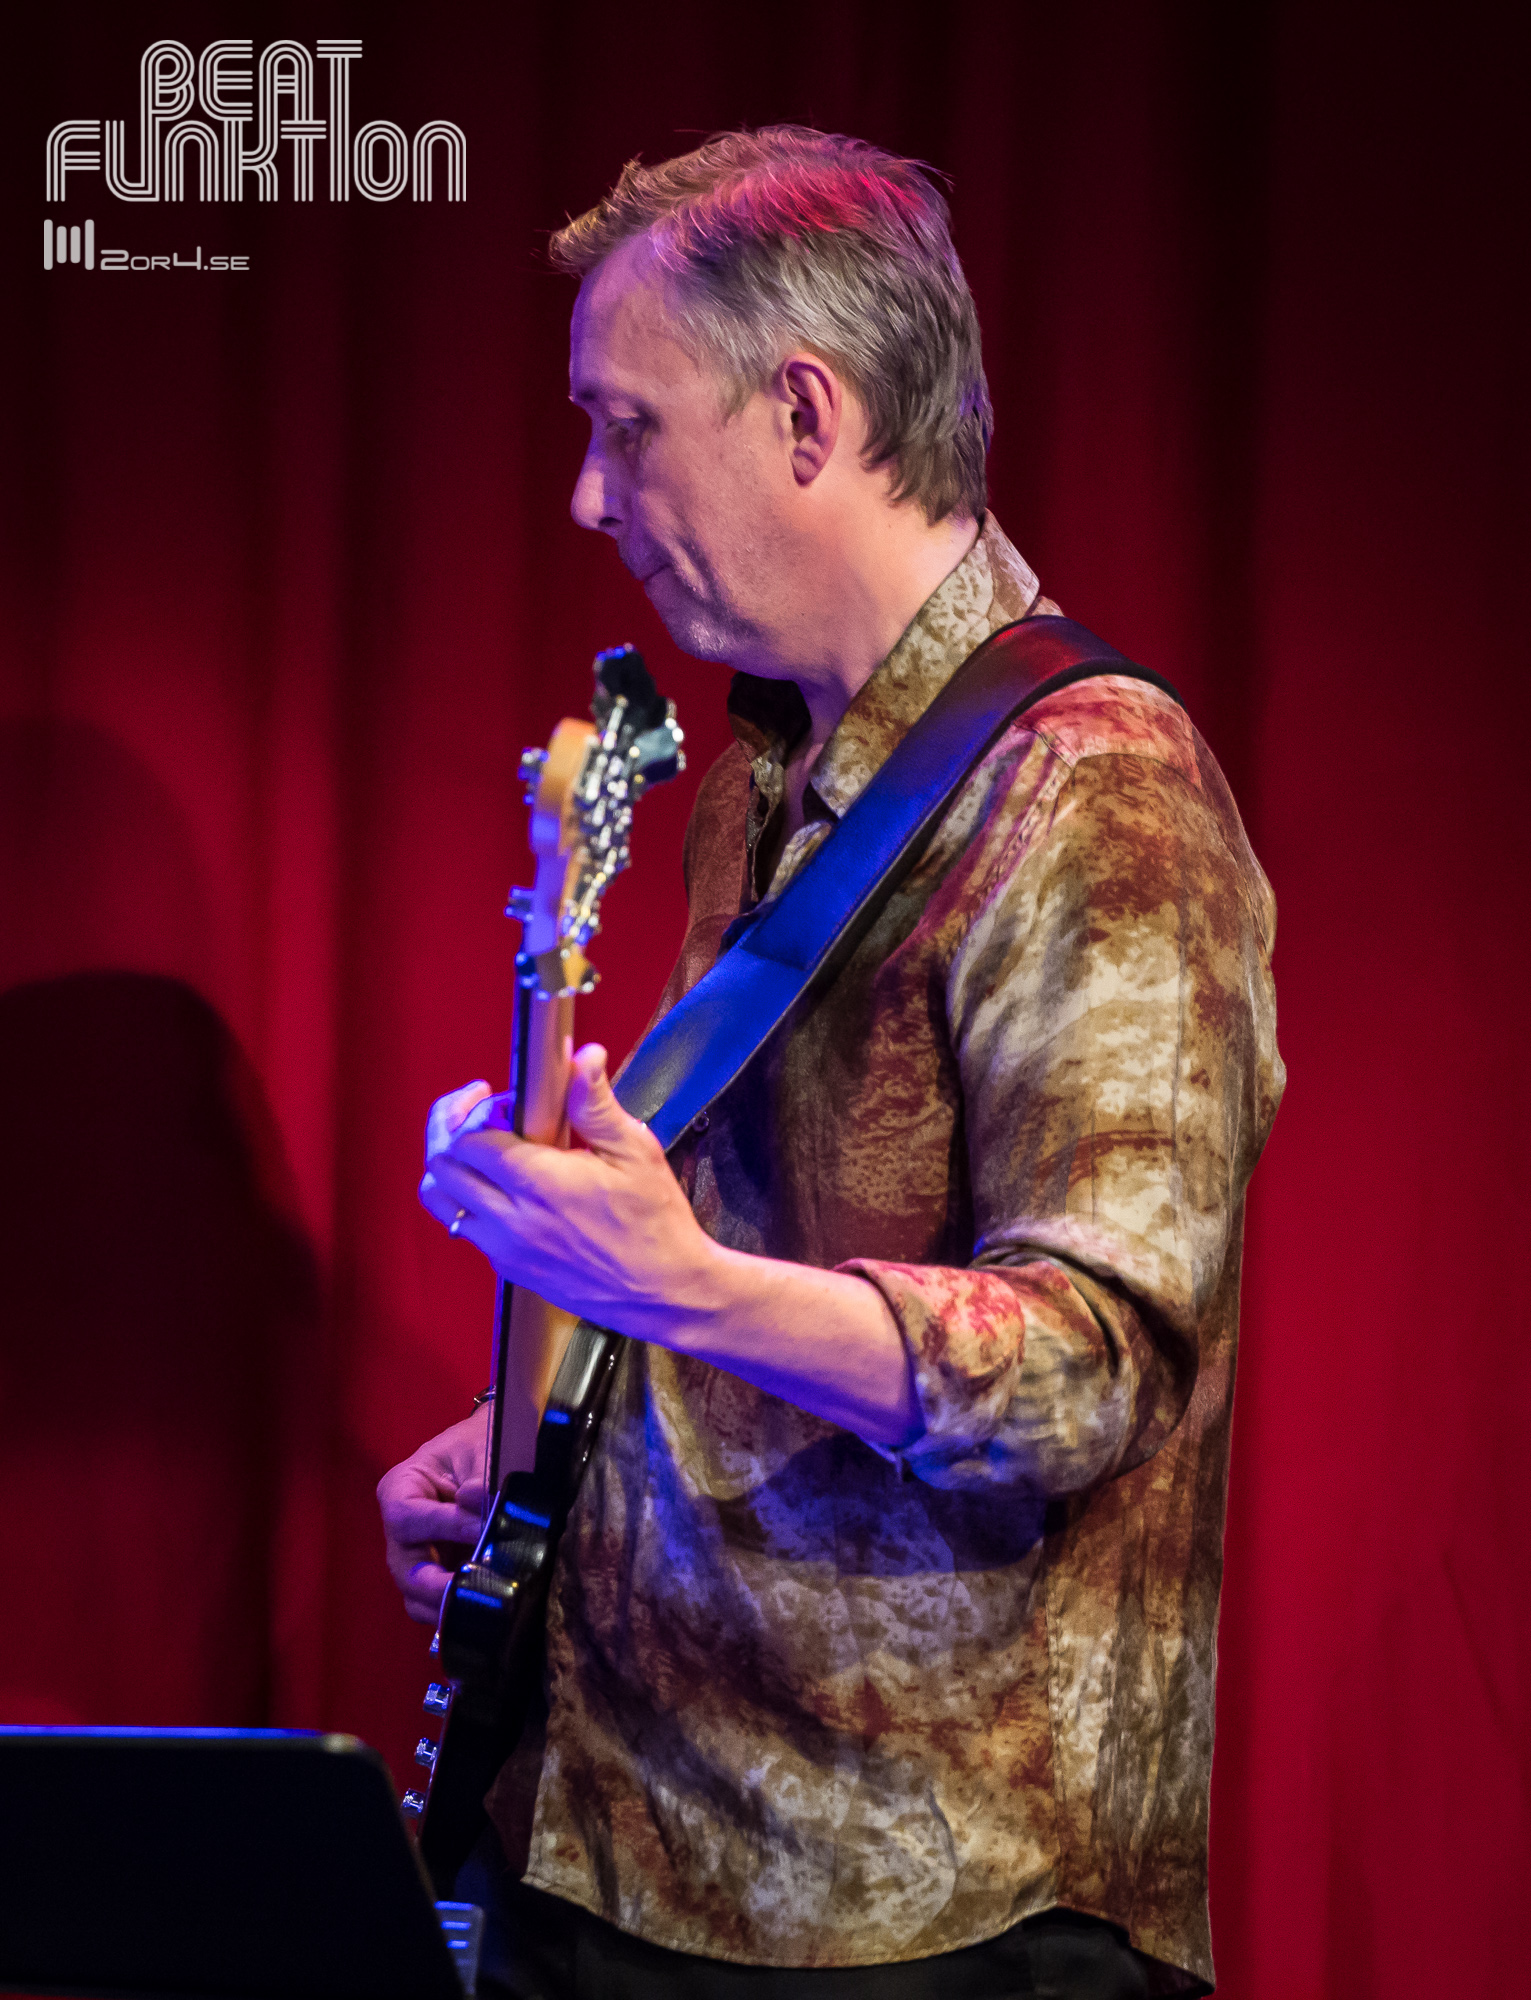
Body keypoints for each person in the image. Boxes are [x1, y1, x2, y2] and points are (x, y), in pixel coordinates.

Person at [379, 127, 1283, 1999]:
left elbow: (1096, 1365)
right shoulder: (764, 779)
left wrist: (676, 1289)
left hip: (926, 1910)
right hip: (626, 1843)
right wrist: (550, 1435)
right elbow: (755, 1292)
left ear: (805, 414)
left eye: (628, 428)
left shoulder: (1099, 792)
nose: (586, 495)